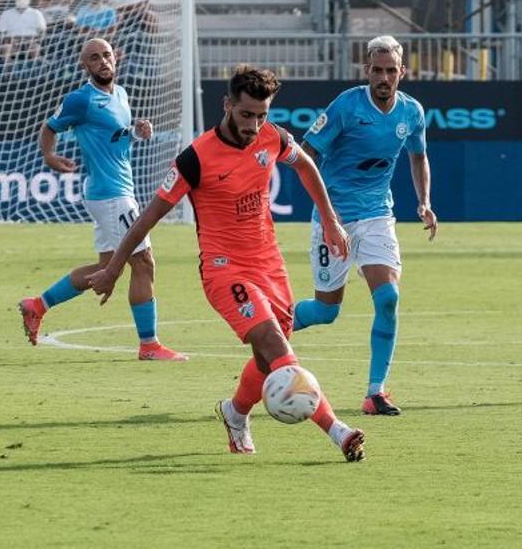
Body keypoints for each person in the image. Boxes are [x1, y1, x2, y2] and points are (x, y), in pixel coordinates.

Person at [86, 65, 366, 462]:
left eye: (262, 114)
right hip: (224, 269)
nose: (254, 124)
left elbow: (305, 165)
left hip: (269, 264)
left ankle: (235, 413)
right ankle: (337, 431)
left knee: (265, 358)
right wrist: (114, 268)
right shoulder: (195, 159)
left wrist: (331, 219)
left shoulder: (273, 136)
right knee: (273, 344)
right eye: (246, 114)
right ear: (227, 104)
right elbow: (149, 216)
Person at [289, 36, 435, 415]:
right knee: (326, 311)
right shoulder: (346, 106)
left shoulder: (412, 112)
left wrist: (424, 201)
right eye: (377, 70)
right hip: (334, 218)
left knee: (388, 298)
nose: (384, 77)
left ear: (403, 72)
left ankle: (375, 392)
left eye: (391, 70)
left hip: (377, 216)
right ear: (366, 70)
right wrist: (325, 212)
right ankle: (269, 326)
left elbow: (419, 158)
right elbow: (308, 155)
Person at [18, 39, 186, 360]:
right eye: (94, 58)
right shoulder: (81, 99)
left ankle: (36, 306)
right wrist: (49, 155)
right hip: (111, 195)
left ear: (115, 57)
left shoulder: (120, 95)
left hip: (116, 191)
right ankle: (149, 345)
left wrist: (137, 132)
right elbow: (50, 127)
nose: (103, 61)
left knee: (107, 266)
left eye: (106, 55)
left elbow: (116, 139)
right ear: (85, 66)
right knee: (143, 263)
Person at [0, 0, 46, 64]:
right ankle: (9, 73)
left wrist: (31, 40)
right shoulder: (6, 13)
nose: (21, 0)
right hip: (12, 42)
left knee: (35, 48)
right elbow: (2, 32)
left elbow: (42, 31)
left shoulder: (36, 13)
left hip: (31, 41)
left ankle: (36, 71)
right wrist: (11, 40)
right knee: (6, 48)